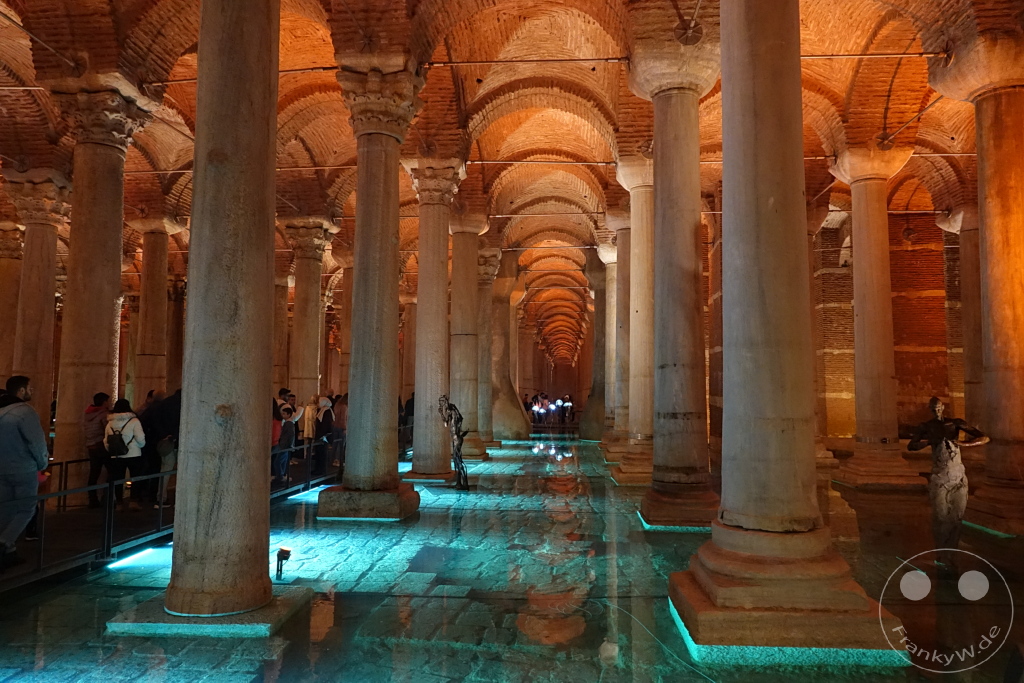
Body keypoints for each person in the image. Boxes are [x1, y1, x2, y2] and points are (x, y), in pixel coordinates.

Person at [907, 397, 988, 560]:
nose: (936, 411)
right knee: (941, 517)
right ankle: (941, 553)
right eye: (933, 408)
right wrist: (929, 441)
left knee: (957, 517)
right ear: (930, 409)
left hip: (958, 475)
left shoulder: (955, 423)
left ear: (943, 407)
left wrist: (964, 444)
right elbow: (911, 445)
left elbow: (984, 438)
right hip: (940, 476)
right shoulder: (926, 426)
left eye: (938, 408)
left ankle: (952, 553)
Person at [0, 376, 50, 570]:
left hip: (2, 468)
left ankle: (9, 550)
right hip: (23, 468)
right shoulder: (24, 412)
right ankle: (4, 542)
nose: (32, 391)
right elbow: (36, 442)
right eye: (30, 388)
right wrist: (42, 462)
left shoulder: (2, 411)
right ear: (21, 391)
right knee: (26, 508)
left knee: (6, 508)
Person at [104, 398, 146, 510]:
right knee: (135, 477)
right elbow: (140, 438)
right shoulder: (134, 421)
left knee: (118, 479)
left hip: (117, 454)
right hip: (134, 454)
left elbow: (106, 440)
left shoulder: (110, 422)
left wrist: (112, 450)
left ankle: (119, 503)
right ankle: (133, 501)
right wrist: (140, 446)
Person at [83, 392, 111, 508]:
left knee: (94, 473)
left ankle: (92, 500)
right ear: (104, 402)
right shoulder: (103, 414)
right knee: (112, 471)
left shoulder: (87, 414)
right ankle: (107, 498)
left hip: (91, 446)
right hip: (101, 446)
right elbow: (108, 430)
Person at [272, 404, 297, 487]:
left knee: (277, 462)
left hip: (284, 446)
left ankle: (280, 476)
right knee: (282, 461)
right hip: (285, 445)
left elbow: (290, 435)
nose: (282, 415)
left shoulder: (288, 424)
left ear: (288, 414)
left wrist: (287, 444)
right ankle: (282, 475)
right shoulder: (288, 423)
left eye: (284, 414)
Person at [313, 396, 334, 476]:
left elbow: (325, 425)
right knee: (319, 453)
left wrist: (322, 435)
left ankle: (320, 470)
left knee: (322, 454)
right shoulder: (323, 410)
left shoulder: (326, 411)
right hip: (320, 435)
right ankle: (318, 469)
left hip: (322, 436)